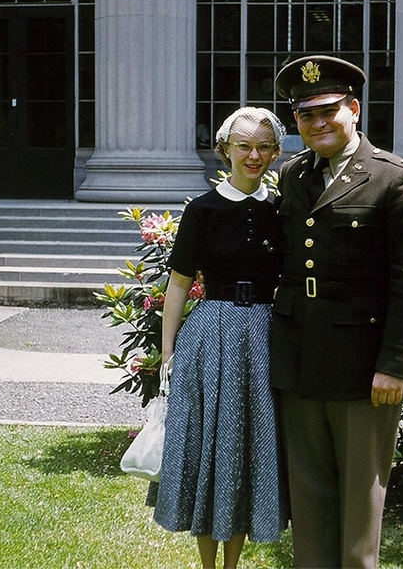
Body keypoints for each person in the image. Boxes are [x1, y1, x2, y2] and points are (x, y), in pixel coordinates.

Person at [270, 55, 403, 568]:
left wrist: (395, 365)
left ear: (355, 109)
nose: (318, 123)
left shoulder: (396, 179)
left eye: (329, 111)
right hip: (300, 358)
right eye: (307, 115)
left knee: (360, 502)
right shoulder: (294, 174)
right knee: (309, 495)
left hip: (363, 367)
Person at [149, 107, 289, 569]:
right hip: (210, 338)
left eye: (264, 147)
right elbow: (178, 284)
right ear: (225, 149)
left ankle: (232, 565)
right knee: (211, 449)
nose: (254, 155)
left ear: (276, 152)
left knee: (247, 449)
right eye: (243, 146)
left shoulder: (280, 210)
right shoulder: (202, 210)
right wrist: (168, 351)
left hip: (264, 337)